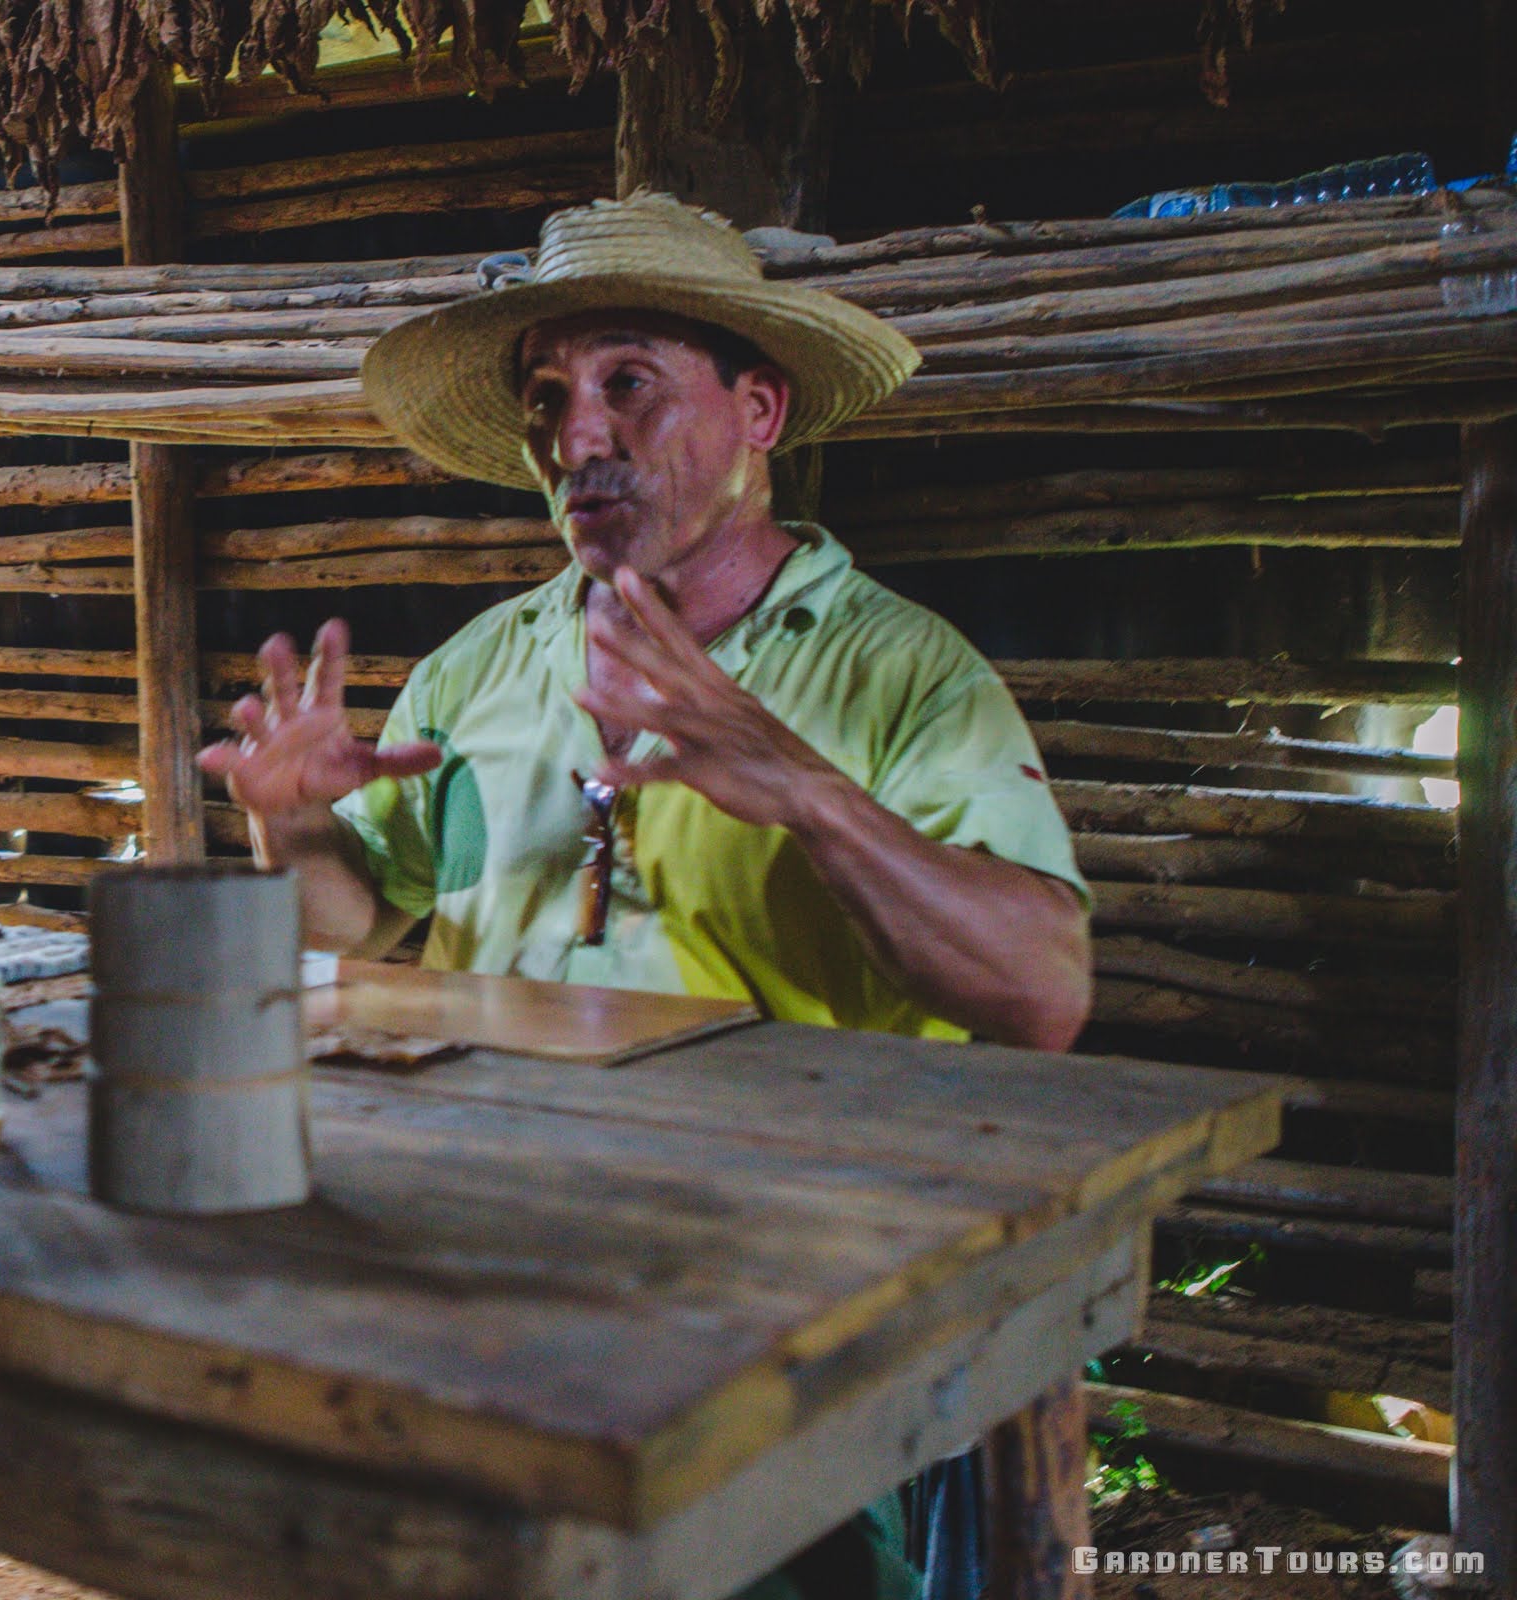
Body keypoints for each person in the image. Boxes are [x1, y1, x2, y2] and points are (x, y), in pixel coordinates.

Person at [198, 193, 1094, 1599]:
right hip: (491, 1266)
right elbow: (353, 925)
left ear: (761, 413)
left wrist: (794, 779)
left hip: (781, 1302)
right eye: (551, 397)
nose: (579, 436)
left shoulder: (902, 673)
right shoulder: (478, 669)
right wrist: (295, 830)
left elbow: (1042, 994)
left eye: (629, 384)